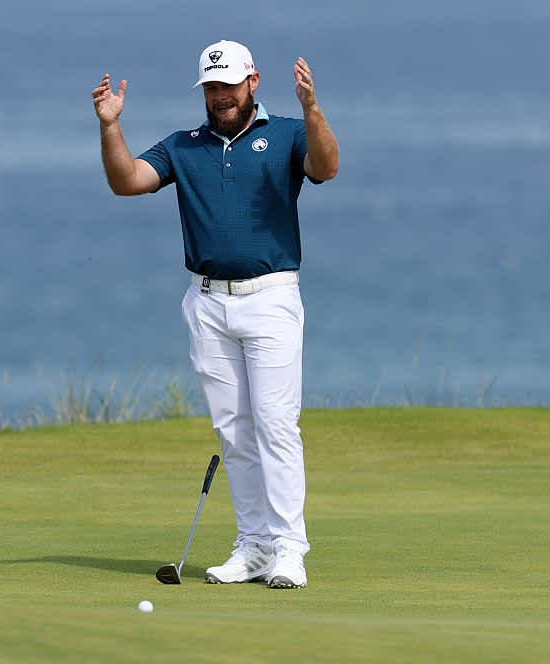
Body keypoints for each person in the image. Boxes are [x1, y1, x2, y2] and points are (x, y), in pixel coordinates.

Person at [92, 39, 339, 589]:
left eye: (228, 85)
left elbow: (327, 167)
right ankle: (253, 546)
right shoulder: (184, 146)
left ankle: (289, 549)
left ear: (253, 82)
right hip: (207, 303)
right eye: (211, 87)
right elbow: (127, 181)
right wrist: (110, 126)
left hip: (271, 298)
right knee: (234, 433)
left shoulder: (287, 134)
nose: (220, 96)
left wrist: (312, 108)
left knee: (276, 427)